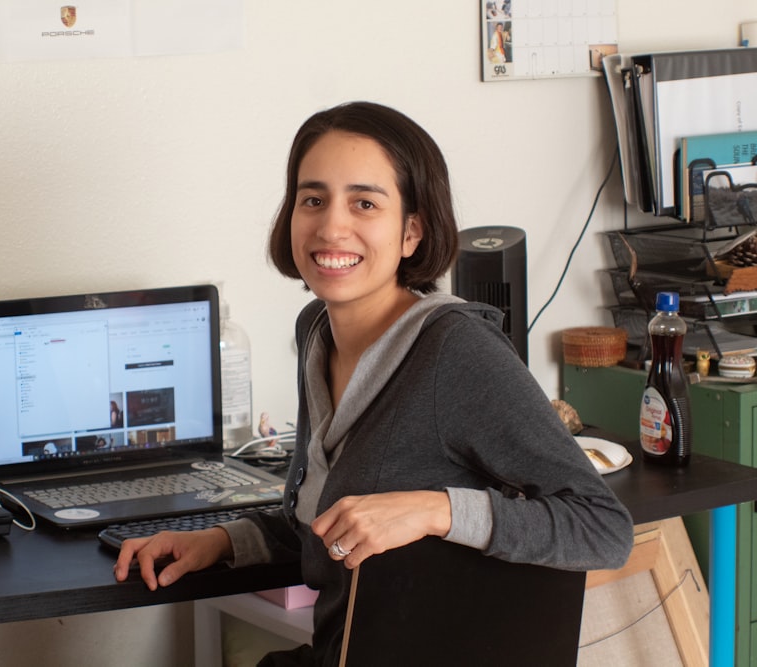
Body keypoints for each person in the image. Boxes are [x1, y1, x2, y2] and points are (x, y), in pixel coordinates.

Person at [114, 101, 634, 665]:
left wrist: (435, 510)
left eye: (365, 203)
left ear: (412, 231)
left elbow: (603, 528)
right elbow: (327, 518)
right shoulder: (316, 331)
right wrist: (219, 541)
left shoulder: (455, 351)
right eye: (313, 199)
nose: (332, 225)